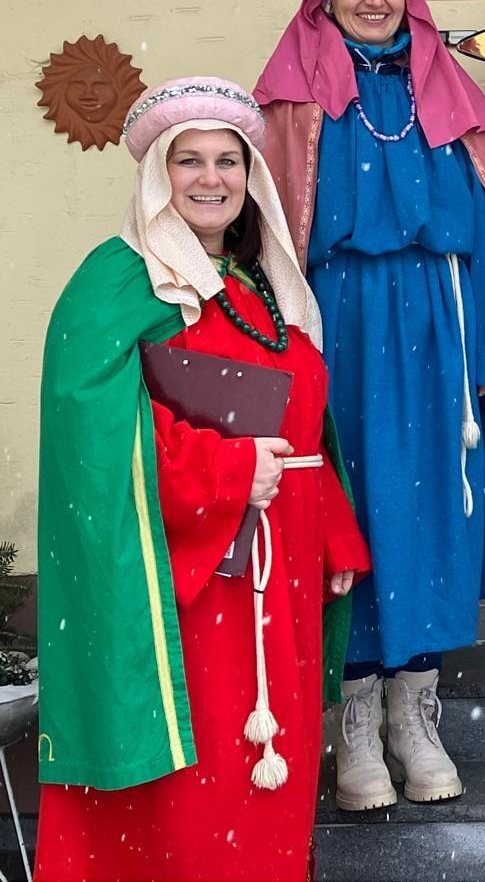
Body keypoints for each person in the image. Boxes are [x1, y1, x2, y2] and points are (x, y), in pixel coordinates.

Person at [34, 78, 370, 882]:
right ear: (159, 173)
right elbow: (94, 427)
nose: (211, 178)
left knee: (275, 756)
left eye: (229, 161)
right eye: (190, 161)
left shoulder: (262, 282)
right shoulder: (118, 280)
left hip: (281, 562)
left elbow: (305, 425)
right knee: (206, 767)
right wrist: (223, 471)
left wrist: (333, 529)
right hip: (184, 575)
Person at [254, 0, 485, 810]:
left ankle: (415, 714)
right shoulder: (290, 108)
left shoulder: (447, 92)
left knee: (428, 512)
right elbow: (267, 240)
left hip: (441, 329)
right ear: (326, 1)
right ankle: (354, 722)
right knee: (352, 513)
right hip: (337, 328)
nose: (373, 0)